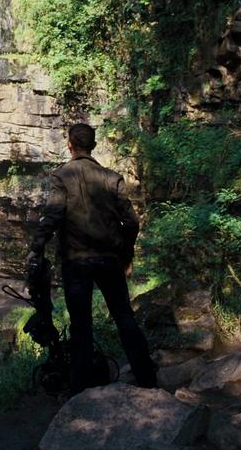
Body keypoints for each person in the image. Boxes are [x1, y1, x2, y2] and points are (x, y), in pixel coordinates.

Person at [26, 123, 157, 394]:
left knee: (81, 326)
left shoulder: (61, 176)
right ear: (93, 146)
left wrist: (36, 249)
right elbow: (131, 222)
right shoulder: (112, 178)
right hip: (109, 259)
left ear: (70, 145)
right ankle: (147, 379)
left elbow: (52, 216)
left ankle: (80, 391)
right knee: (124, 317)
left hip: (76, 262)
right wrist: (126, 253)